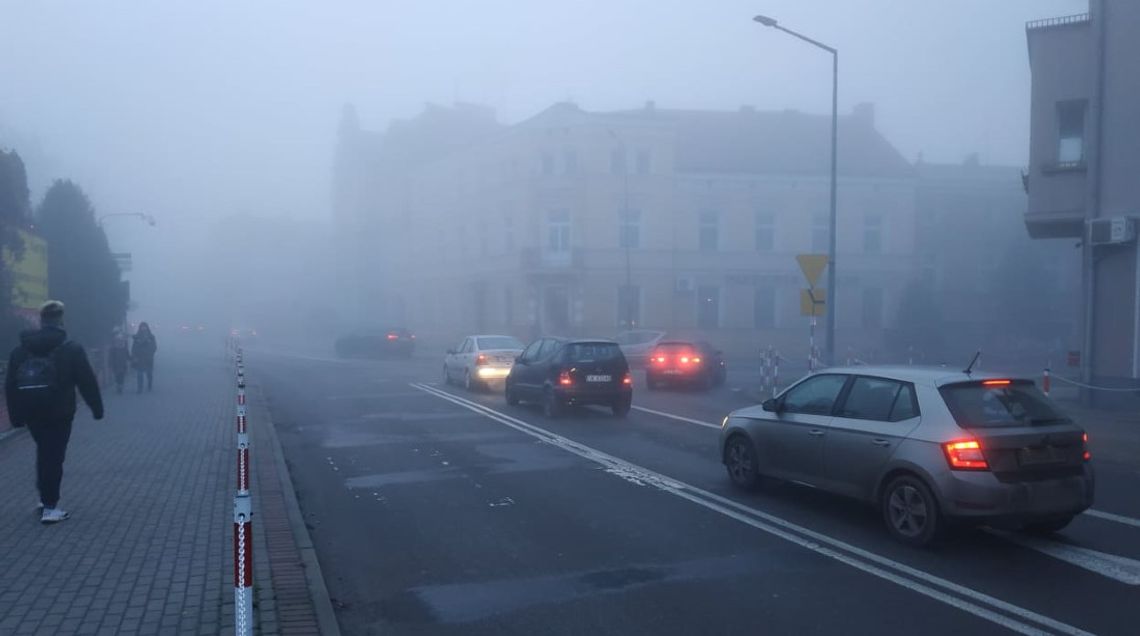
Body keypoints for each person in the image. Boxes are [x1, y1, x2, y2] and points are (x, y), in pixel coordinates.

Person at [5, 300, 104, 524]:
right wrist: (96, 408)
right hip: (60, 413)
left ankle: (44, 499)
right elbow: (86, 381)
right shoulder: (71, 349)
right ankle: (50, 507)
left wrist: (16, 416)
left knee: (45, 452)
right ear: (61, 320)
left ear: (41, 320)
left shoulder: (21, 350)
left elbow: (10, 385)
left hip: (32, 413)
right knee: (53, 457)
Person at [131, 322, 157, 393]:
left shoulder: (151, 337)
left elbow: (154, 347)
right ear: (140, 328)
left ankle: (149, 384)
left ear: (147, 328)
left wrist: (150, 353)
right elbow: (134, 348)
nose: (143, 328)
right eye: (142, 327)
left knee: (149, 373)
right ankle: (139, 388)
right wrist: (134, 356)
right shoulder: (136, 337)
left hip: (148, 358)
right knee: (139, 374)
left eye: (144, 327)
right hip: (139, 358)